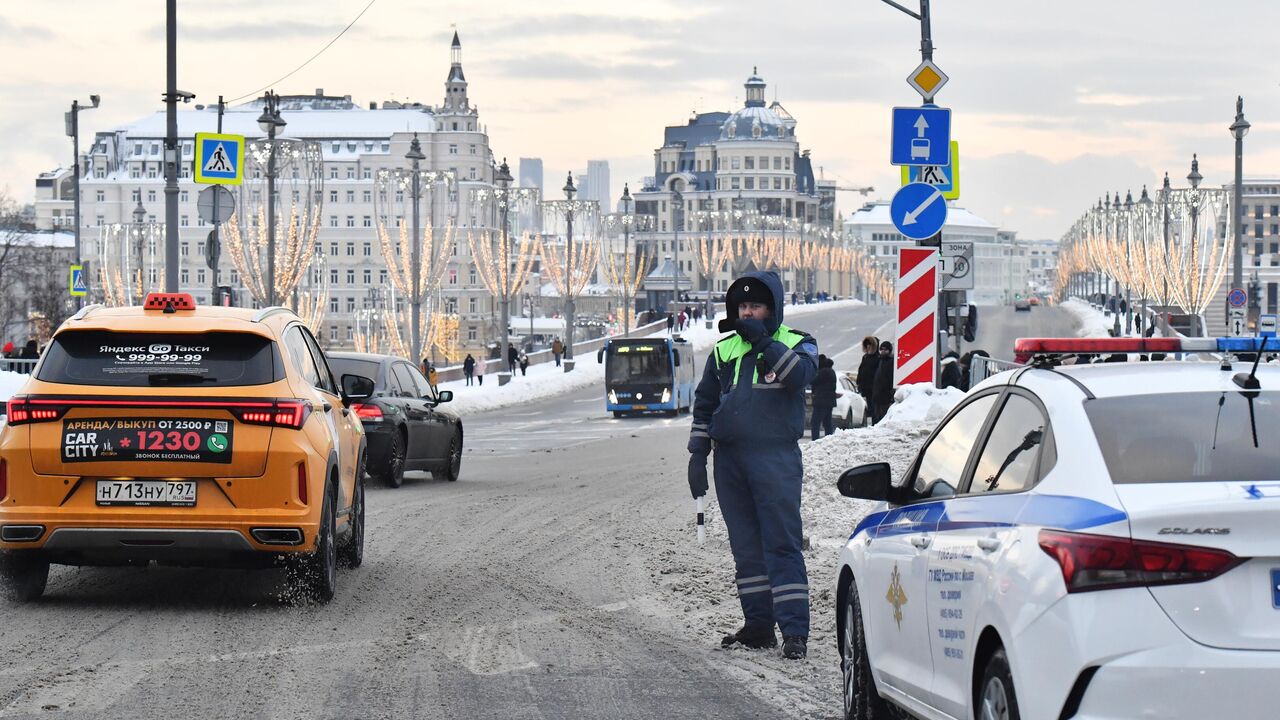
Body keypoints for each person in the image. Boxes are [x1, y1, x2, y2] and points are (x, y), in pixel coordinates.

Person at [687, 270, 818, 660]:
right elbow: (706, 401)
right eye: (742, 307)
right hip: (731, 460)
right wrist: (698, 451)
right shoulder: (724, 350)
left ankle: (794, 631)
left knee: (781, 544)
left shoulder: (798, 343)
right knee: (745, 548)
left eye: (755, 307)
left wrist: (764, 342)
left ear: (772, 309)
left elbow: (800, 377)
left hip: (775, 458)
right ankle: (759, 626)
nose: (747, 314)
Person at [809, 354, 837, 441]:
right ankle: (829, 440)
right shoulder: (831, 371)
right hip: (829, 401)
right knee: (827, 423)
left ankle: (815, 441)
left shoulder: (823, 372)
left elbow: (813, 381)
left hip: (821, 401)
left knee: (815, 422)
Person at [870, 341, 895, 425]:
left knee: (883, 416)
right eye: (881, 349)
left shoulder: (891, 362)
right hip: (877, 394)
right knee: (876, 415)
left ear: (889, 351)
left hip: (885, 395)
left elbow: (889, 378)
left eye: (885, 349)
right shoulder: (879, 361)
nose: (883, 351)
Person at [855, 336, 880, 420]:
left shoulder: (878, 358)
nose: (868, 346)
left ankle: (875, 423)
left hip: (875, 387)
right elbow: (861, 370)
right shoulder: (865, 357)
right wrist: (859, 382)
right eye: (867, 345)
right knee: (870, 407)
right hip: (866, 387)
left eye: (870, 344)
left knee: (875, 408)